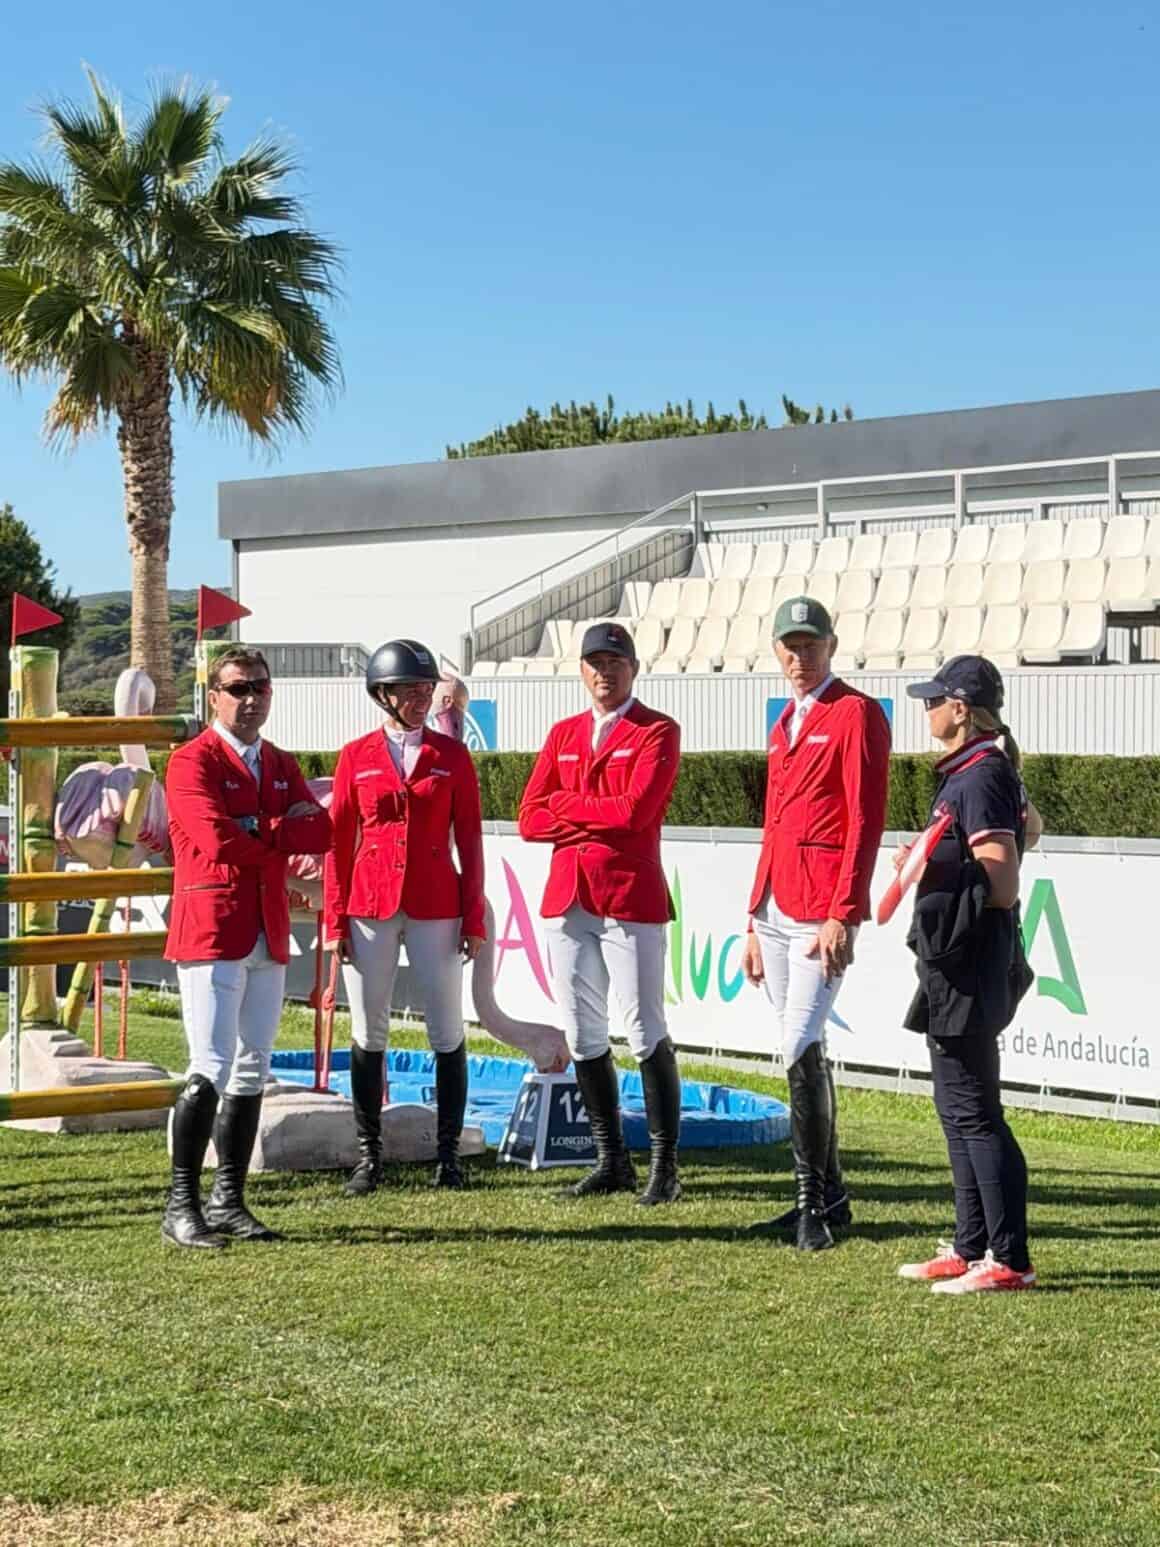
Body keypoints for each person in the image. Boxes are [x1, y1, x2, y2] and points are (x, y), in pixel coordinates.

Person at [163, 647, 332, 1248]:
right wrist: (275, 832)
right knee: (207, 1064)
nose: (250, 697)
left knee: (252, 1065)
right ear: (213, 695)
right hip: (212, 927)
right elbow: (215, 840)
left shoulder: (280, 762)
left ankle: (228, 1200)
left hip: (267, 926)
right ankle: (181, 1204)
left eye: (258, 686)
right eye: (237, 688)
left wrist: (258, 826)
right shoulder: (191, 762)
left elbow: (323, 830)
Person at [743, 597, 891, 1250]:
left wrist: (843, 912)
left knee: (798, 1047)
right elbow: (773, 823)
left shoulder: (855, 712)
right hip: (776, 907)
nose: (799, 657)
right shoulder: (785, 723)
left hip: (818, 908)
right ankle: (829, 1196)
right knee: (802, 1048)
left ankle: (811, 1204)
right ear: (777, 651)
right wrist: (753, 913)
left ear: (831, 645)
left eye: (810, 645)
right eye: (789, 646)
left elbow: (865, 818)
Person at [517, 622, 683, 1205]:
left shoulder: (657, 730)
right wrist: (588, 812)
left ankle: (664, 1167)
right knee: (583, 1032)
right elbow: (529, 819)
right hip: (569, 898)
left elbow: (636, 813)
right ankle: (611, 1160)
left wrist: (567, 806)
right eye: (594, 663)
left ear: (633, 668)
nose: (603, 673)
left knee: (643, 1027)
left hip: (629, 897)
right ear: (582, 670)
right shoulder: (563, 731)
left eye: (614, 662)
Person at [895, 655, 1037, 1294]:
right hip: (955, 961)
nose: (925, 709)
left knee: (976, 1112)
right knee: (955, 1107)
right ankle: (971, 1243)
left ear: (961, 709)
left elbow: (1001, 882)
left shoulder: (981, 775)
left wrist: (932, 869)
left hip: (972, 963)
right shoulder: (975, 771)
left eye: (934, 700)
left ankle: (1008, 1258)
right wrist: (927, 857)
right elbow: (1029, 826)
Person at [324, 639, 486, 1195]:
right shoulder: (356, 756)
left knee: (446, 1027)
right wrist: (334, 920)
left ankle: (449, 1157)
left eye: (426, 690)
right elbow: (339, 842)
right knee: (369, 1028)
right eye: (410, 692)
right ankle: (369, 1157)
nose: (421, 700)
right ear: (383, 696)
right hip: (369, 904)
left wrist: (474, 917)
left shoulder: (452, 756)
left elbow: (470, 841)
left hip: (436, 900)